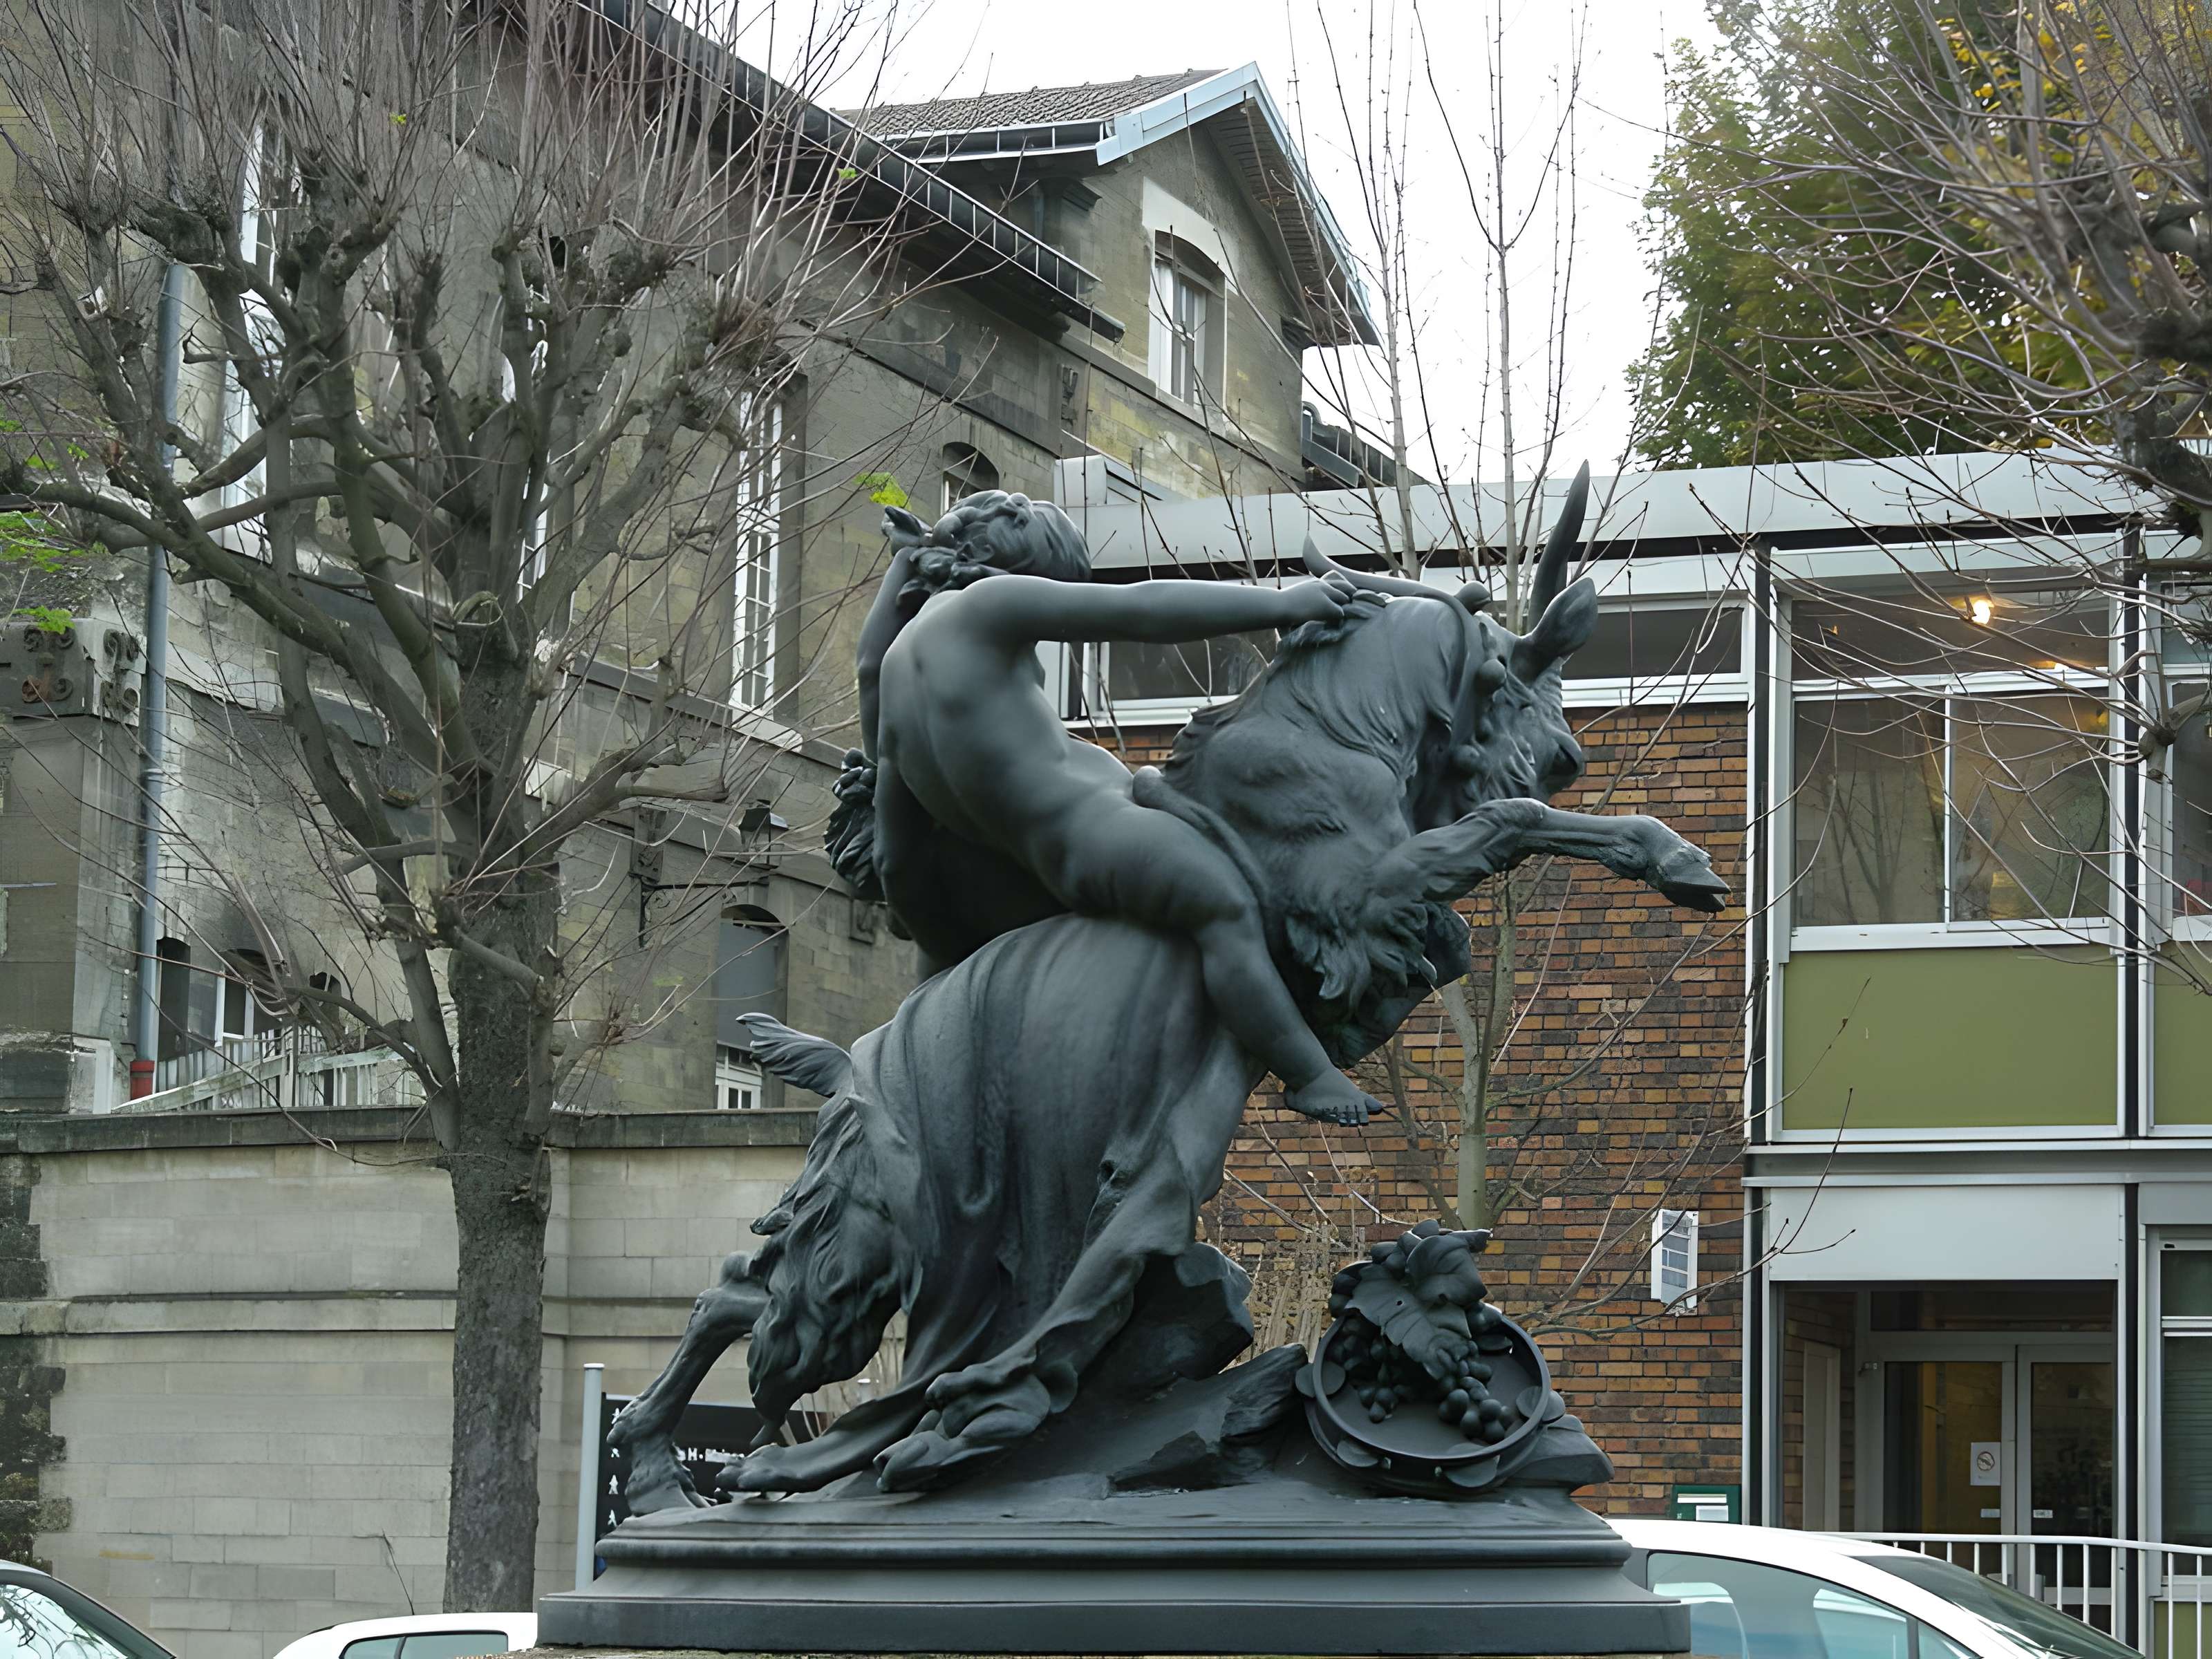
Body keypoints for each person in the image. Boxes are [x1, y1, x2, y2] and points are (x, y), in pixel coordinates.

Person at [844, 488, 1387, 1127]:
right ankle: (1309, 1072)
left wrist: (937, 961)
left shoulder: (895, 696)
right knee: (1221, 902)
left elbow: (896, 854)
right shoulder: (989, 603)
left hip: (1034, 867)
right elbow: (1143, 608)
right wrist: (1282, 604)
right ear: (1025, 567)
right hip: (1092, 834)